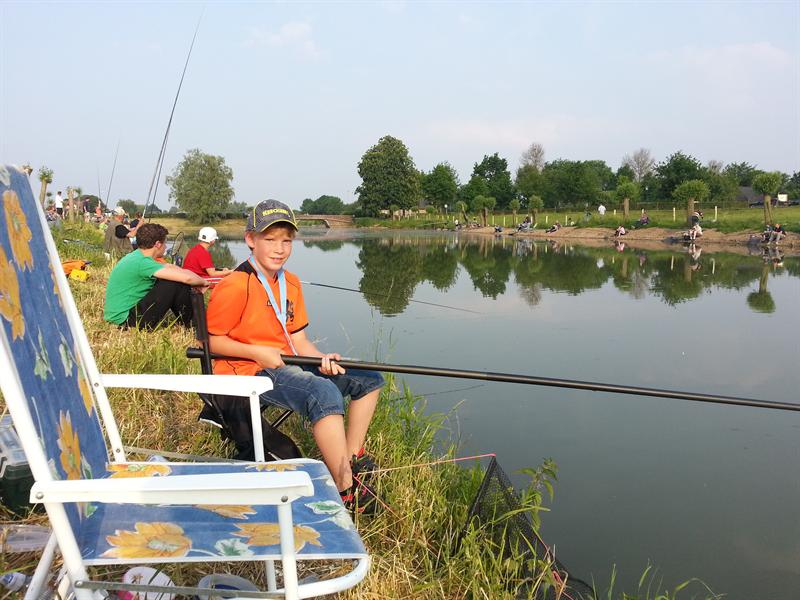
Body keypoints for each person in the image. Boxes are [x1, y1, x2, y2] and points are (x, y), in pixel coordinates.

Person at [206, 200, 385, 513]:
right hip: (247, 371)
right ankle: (344, 489)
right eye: (270, 239)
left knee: (368, 379)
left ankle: (351, 457)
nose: (279, 249)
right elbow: (211, 341)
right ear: (251, 239)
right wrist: (255, 351)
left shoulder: (291, 283)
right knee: (323, 393)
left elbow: (299, 340)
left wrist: (322, 359)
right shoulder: (235, 284)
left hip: (286, 362)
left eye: (286, 241)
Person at [104, 223, 208, 329]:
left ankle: (193, 320)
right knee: (174, 283)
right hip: (126, 321)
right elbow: (187, 278)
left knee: (174, 278)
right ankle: (194, 324)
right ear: (158, 244)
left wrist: (197, 279)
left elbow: (172, 268)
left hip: (121, 316)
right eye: (165, 243)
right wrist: (204, 283)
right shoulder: (143, 262)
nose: (165, 247)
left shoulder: (137, 256)